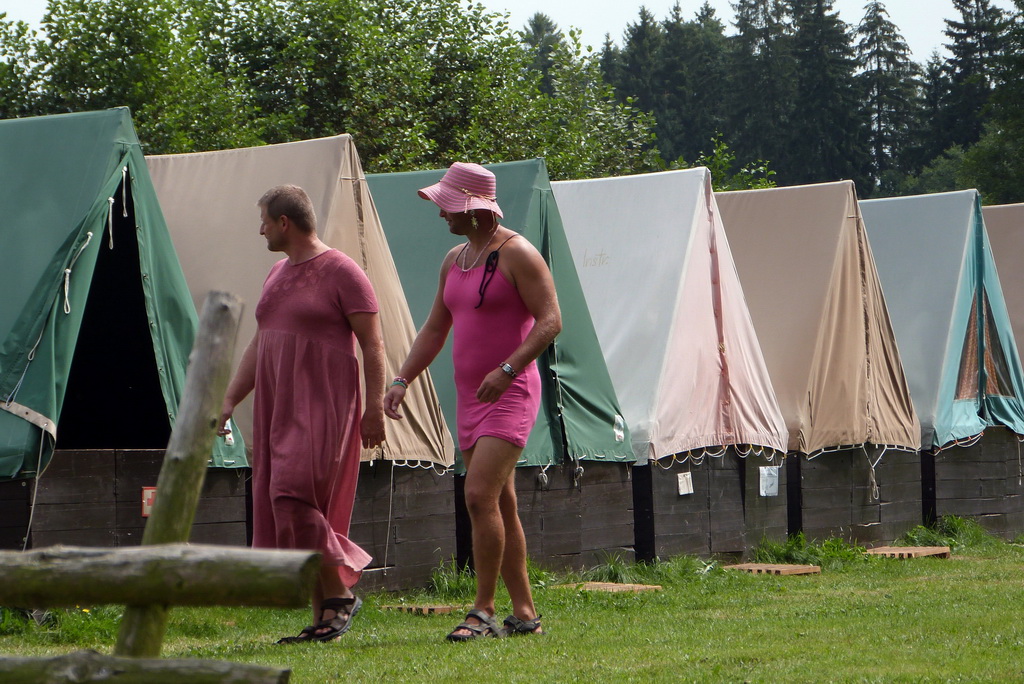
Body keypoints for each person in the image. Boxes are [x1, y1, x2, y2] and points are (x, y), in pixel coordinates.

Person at [383, 162, 561, 641]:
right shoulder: (454, 259)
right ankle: (525, 614)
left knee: (479, 495)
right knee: (499, 501)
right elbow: (434, 329)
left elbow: (550, 321)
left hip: (511, 391)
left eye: (447, 205)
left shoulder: (518, 253)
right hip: (471, 397)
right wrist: (401, 379)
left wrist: (508, 370)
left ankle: (482, 610)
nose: (441, 213)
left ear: (474, 208)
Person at [218, 184, 386, 643]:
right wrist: (230, 398)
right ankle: (322, 616)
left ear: (284, 222)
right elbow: (262, 340)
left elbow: (373, 345)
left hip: (323, 401)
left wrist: (374, 408)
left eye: (264, 222)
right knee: (289, 503)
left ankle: (341, 594)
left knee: (291, 496)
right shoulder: (277, 272)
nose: (261, 231)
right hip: (278, 403)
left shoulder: (343, 271)